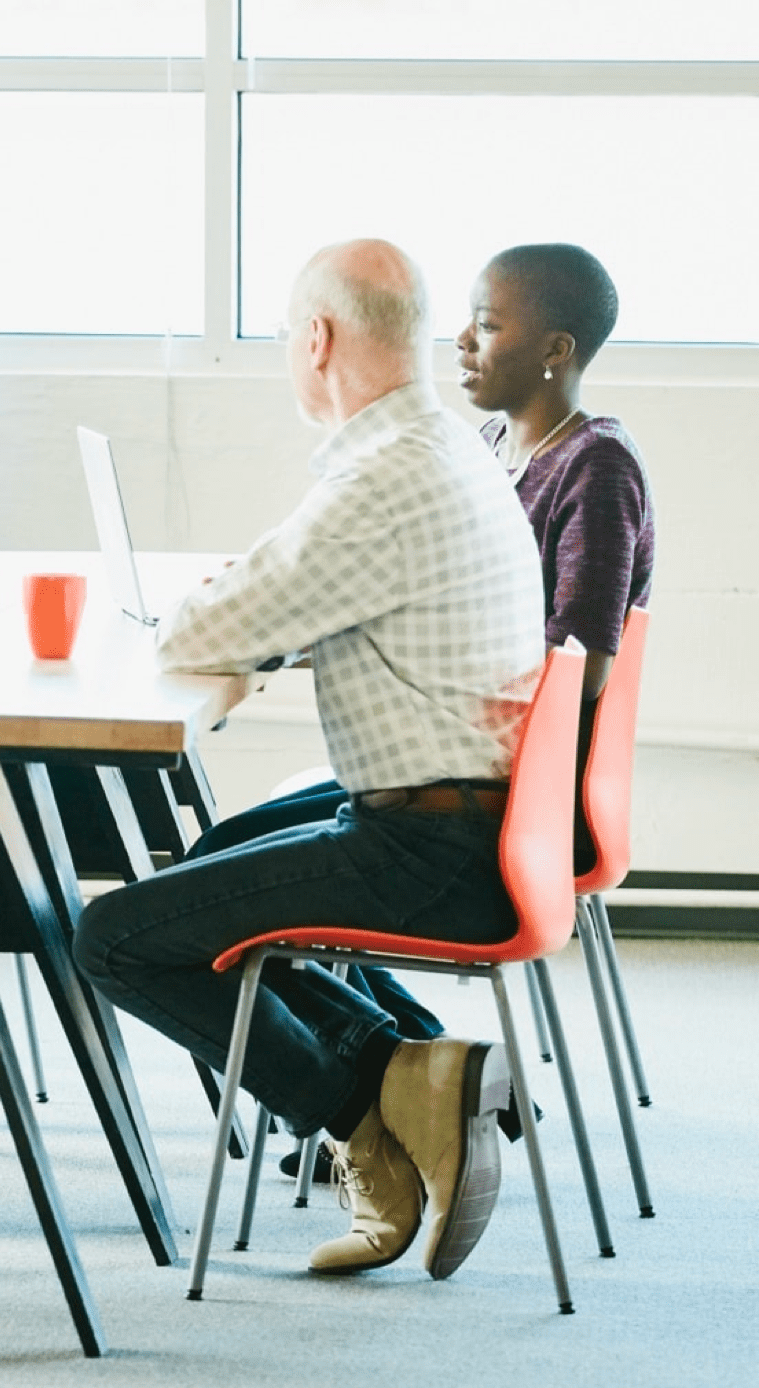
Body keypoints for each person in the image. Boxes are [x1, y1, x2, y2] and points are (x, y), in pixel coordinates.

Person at [73, 239, 549, 1281]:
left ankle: (370, 1101)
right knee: (203, 872)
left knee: (114, 935)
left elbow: (193, 637)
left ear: (319, 339)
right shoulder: (433, 447)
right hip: (472, 813)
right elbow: (281, 598)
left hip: (431, 845)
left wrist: (234, 605)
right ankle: (413, 1071)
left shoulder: (381, 478)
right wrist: (257, 604)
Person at [205, 243, 658, 1182]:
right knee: (230, 856)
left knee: (256, 888)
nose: (461, 341)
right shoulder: (492, 448)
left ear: (555, 349)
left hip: (519, 797)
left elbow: (584, 664)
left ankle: (383, 1096)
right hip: (481, 763)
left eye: (489, 326)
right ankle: (440, 1081)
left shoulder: (596, 466)